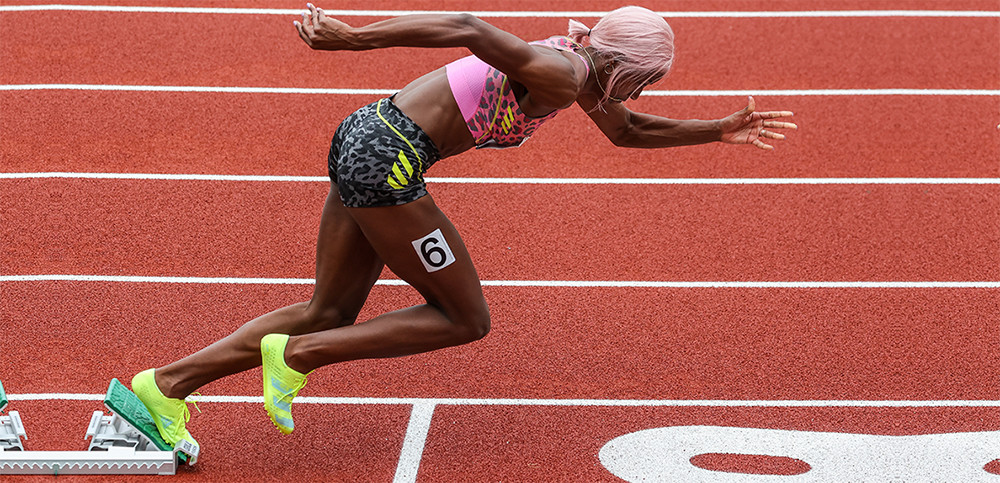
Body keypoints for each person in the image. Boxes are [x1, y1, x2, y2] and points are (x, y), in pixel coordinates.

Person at [129, 4, 797, 449]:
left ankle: (163, 387)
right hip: (388, 161)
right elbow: (468, 26)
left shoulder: (580, 68)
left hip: (367, 134)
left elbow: (628, 131)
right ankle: (300, 357)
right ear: (625, 66)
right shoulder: (562, 74)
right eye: (647, 80)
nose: (644, 92)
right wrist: (353, 38)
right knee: (463, 317)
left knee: (327, 309)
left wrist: (718, 130)